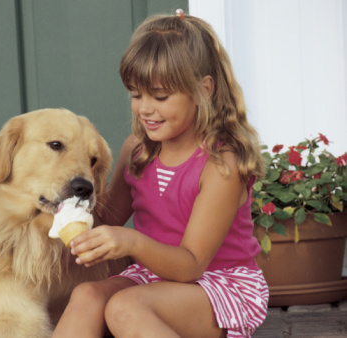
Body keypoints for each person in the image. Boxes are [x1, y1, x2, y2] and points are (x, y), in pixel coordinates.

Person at [52, 10, 268, 338]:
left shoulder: (222, 165)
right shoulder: (136, 151)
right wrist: (66, 207)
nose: (145, 108)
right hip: (153, 278)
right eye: (137, 94)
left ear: (203, 90)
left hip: (219, 285)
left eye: (160, 96)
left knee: (125, 307)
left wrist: (132, 241)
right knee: (88, 295)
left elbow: (192, 264)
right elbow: (106, 221)